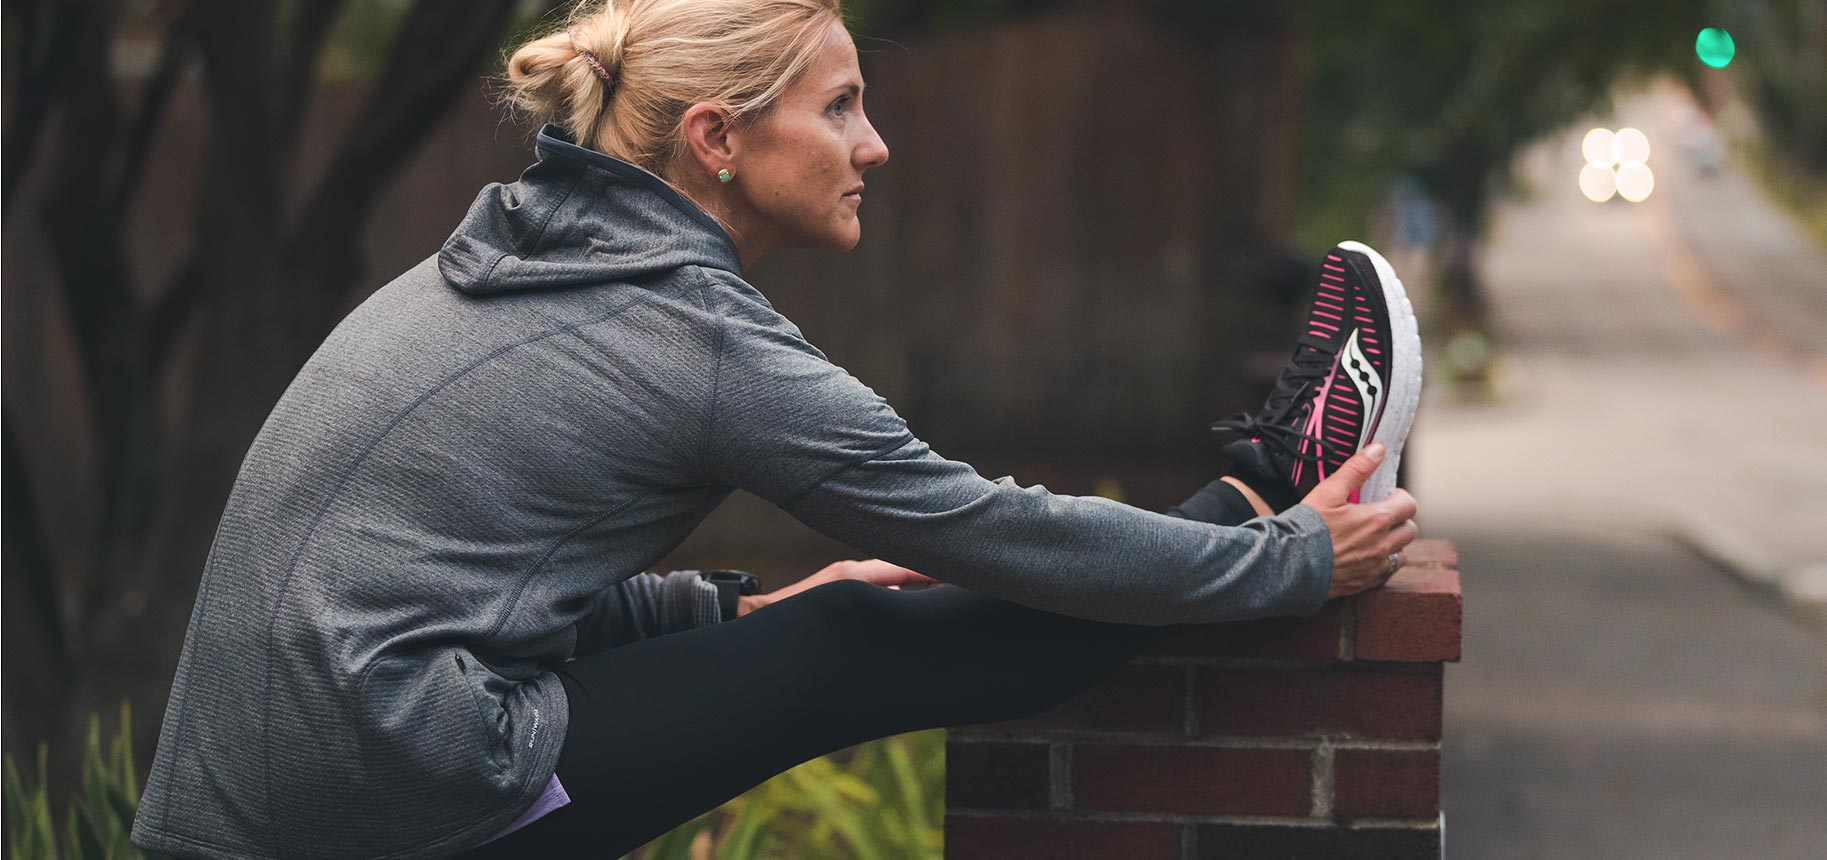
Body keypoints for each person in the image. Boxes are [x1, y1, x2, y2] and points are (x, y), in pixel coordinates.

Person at [127, 1, 1421, 858]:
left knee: (823, 616)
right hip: (383, 782)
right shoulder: (686, 334)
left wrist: (727, 615)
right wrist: (1286, 563)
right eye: (842, 106)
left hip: (258, 806)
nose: (879, 144)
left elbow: (458, 584)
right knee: (855, 641)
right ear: (719, 139)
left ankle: (1256, 499)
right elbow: (986, 531)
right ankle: (1266, 489)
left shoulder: (515, 258)